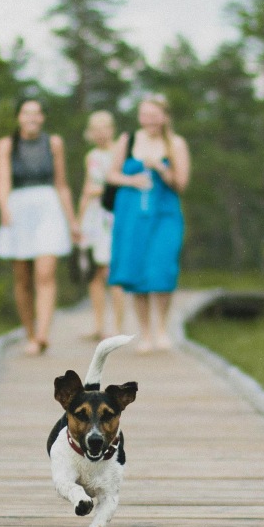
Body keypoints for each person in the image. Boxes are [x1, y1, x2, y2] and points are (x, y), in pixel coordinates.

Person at [106, 94, 191, 353]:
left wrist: (161, 169)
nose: (149, 121)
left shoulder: (176, 143)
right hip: (133, 215)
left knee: (161, 267)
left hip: (165, 213)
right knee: (137, 272)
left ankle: (162, 328)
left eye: (154, 116)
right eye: (145, 115)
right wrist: (131, 180)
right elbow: (111, 174)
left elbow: (182, 184)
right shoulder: (128, 140)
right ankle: (145, 333)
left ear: (165, 117)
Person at [0, 99, 79, 356]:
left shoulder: (54, 143)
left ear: (42, 118)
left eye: (36, 113)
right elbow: (2, 181)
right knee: (22, 276)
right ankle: (29, 332)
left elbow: (62, 184)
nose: (31, 118)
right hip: (19, 206)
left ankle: (43, 332)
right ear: (18, 117)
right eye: (26, 113)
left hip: (48, 206)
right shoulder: (7, 145)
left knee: (45, 273)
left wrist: (72, 220)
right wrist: (4, 208)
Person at [75, 110, 129, 340]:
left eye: (104, 127)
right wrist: (78, 220)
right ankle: (99, 325)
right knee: (94, 274)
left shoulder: (122, 152)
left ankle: (118, 326)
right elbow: (86, 189)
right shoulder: (92, 156)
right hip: (93, 218)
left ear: (112, 128)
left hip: (112, 214)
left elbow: (121, 186)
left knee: (112, 271)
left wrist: (99, 190)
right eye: (95, 129)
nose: (100, 133)